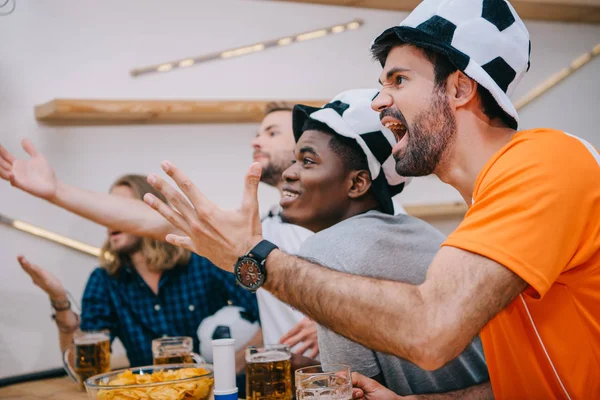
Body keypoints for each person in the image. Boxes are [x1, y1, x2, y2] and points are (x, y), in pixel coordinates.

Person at [120, 0, 599, 398]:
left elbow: (428, 330)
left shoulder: (544, 163)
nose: (378, 101)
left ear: (459, 87)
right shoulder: (495, 198)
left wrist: (256, 257)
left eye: (398, 80)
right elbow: (515, 386)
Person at [0, 102, 319, 358]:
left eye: (272, 133)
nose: (255, 140)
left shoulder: (337, 221)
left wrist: (330, 326)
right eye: (257, 132)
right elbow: (145, 220)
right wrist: (56, 190)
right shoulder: (264, 226)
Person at [284, 89, 489, 395]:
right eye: (294, 160)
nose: (288, 173)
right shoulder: (428, 233)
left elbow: (348, 389)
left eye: (308, 161)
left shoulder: (323, 252)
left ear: (357, 183)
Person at [16, 174, 260, 368]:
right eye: (106, 210)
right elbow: (84, 367)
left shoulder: (204, 262)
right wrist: (60, 302)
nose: (110, 219)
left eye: (120, 209)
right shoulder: (104, 281)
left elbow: (265, 319)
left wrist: (228, 370)